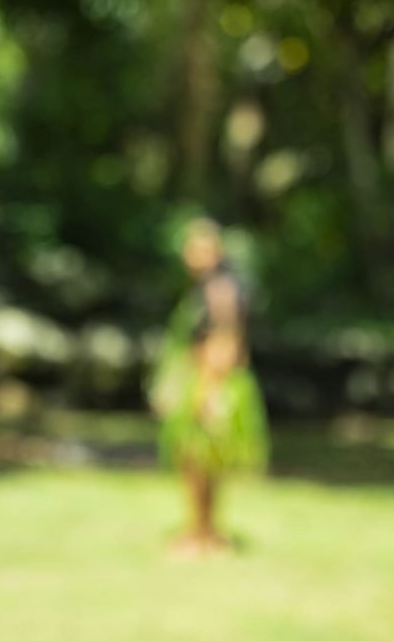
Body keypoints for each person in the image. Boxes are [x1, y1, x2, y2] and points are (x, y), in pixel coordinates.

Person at [147, 217, 268, 555]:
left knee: (198, 462)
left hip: (212, 381)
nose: (192, 255)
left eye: (200, 248)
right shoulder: (205, 287)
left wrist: (209, 389)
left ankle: (202, 534)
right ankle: (203, 532)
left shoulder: (220, 288)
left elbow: (226, 339)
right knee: (201, 462)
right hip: (202, 378)